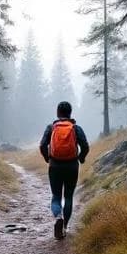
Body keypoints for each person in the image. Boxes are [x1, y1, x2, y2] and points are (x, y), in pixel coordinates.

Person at [39, 101, 90, 240]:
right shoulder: (75, 128)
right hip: (72, 166)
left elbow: (43, 145)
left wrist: (47, 158)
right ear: (70, 112)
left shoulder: (51, 127)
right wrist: (81, 158)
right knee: (68, 196)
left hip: (55, 165)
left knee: (56, 196)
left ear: (58, 112)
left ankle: (58, 217)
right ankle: (65, 227)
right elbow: (85, 145)